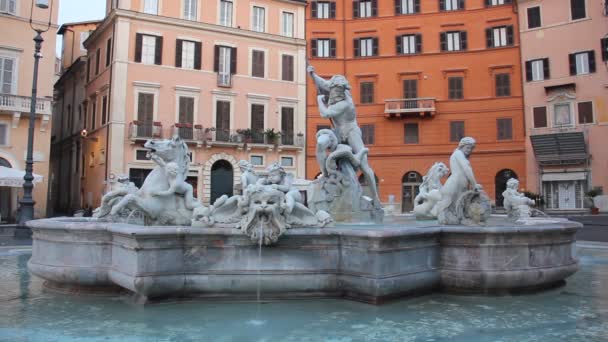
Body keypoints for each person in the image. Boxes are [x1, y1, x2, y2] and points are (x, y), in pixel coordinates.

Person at [307, 65, 381, 209]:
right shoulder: (333, 87)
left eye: (338, 90)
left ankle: (376, 198)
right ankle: (325, 173)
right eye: (334, 90)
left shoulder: (345, 103)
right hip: (337, 132)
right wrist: (312, 74)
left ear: (343, 90)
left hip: (351, 132)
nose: (334, 92)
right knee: (321, 143)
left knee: (364, 166)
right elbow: (323, 83)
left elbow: (325, 114)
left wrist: (319, 101)